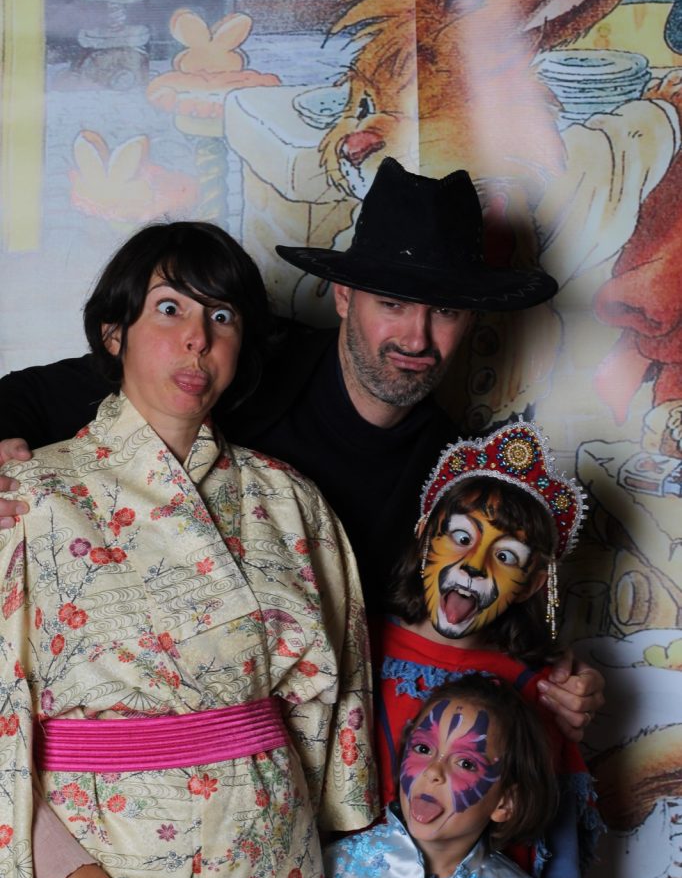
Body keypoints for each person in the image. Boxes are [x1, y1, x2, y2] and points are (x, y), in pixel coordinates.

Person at [0, 157, 603, 741]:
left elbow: (461, 616)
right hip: (132, 716)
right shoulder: (236, 364)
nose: (417, 337)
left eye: (444, 310)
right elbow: (37, 394)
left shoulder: (452, 477)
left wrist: (554, 678)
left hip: (313, 742)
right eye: (392, 303)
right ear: (343, 296)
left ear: (471, 320)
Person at [0, 222, 377, 878]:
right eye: (170, 308)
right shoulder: (28, 497)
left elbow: (335, 722)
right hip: (96, 872)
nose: (198, 339)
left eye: (222, 316)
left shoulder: (292, 502)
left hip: (270, 876)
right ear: (115, 333)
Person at [377, 419, 602, 878]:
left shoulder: (543, 689)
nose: (474, 565)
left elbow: (556, 860)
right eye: (460, 538)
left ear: (533, 583)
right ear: (425, 534)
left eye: (505, 556)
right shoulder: (356, 645)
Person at [325, 673, 557, 878]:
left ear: (505, 803)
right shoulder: (336, 866)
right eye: (423, 748)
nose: (433, 770)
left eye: (466, 763)